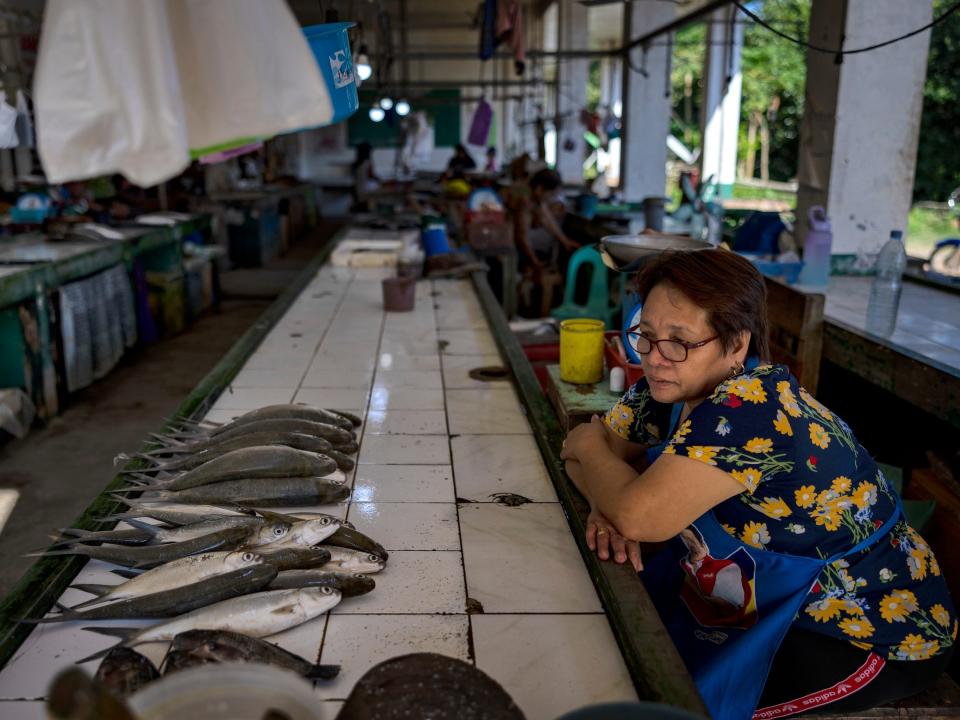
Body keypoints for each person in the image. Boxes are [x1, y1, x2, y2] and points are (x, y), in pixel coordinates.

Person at [560, 249, 955, 720]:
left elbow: (633, 506)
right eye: (644, 336)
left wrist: (600, 467)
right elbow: (586, 457)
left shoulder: (751, 407)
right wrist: (605, 494)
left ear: (735, 344)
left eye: (679, 341)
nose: (655, 357)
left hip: (865, 629)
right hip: (773, 601)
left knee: (695, 706)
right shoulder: (669, 384)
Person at [351, 142, 379, 211]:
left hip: (358, 190)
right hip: (368, 191)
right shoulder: (367, 162)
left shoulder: (356, 164)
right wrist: (380, 179)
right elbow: (372, 176)